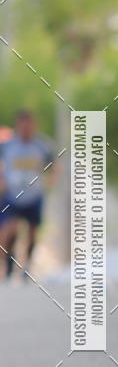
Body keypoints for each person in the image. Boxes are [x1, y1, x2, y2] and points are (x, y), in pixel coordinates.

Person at [0, 110, 54, 281]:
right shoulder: (8, 145)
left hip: (34, 195)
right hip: (12, 194)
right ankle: (9, 262)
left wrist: (50, 182)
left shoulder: (42, 145)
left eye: (29, 126)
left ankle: (27, 264)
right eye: (23, 126)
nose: (26, 129)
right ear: (18, 126)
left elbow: (54, 165)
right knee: (9, 229)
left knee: (32, 232)